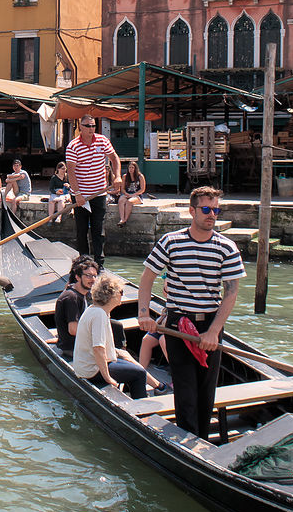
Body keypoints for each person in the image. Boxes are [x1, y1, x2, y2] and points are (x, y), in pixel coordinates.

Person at [137, 187, 246, 440]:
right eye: (206, 209)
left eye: (216, 210)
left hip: (210, 323)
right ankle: (189, 441)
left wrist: (214, 331)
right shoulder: (171, 241)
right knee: (185, 389)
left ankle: (202, 440)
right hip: (177, 323)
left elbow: (230, 294)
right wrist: (144, 314)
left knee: (207, 391)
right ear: (192, 211)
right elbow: (147, 279)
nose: (212, 215)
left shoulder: (227, 247)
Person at [72, 273, 149, 399]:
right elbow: (98, 348)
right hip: (92, 369)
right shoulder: (99, 315)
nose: (122, 295)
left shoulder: (96, 310)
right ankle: (142, 409)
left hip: (88, 365)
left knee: (134, 368)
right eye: (121, 292)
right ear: (112, 295)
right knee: (139, 374)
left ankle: (129, 397)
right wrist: (108, 377)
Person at [65, 115, 119, 269]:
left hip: (99, 193)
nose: (91, 129)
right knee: (81, 231)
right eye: (88, 126)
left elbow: (114, 158)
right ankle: (83, 264)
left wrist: (117, 176)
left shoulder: (102, 141)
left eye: (93, 126)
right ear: (80, 127)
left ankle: (99, 265)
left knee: (98, 230)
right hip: (80, 194)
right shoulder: (73, 146)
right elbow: (71, 171)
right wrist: (78, 194)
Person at [54, 255, 98, 359]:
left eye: (95, 276)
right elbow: (73, 330)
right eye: (88, 276)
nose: (93, 279)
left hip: (80, 344)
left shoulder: (81, 293)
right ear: (78, 277)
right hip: (73, 348)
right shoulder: (71, 297)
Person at [116, 160, 146, 225]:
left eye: (132, 168)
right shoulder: (125, 176)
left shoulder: (140, 176)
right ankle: (122, 219)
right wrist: (126, 194)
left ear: (135, 168)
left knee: (129, 202)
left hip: (137, 195)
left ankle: (125, 220)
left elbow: (142, 189)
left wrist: (133, 195)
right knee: (121, 200)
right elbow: (122, 189)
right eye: (130, 167)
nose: (131, 169)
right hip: (127, 194)